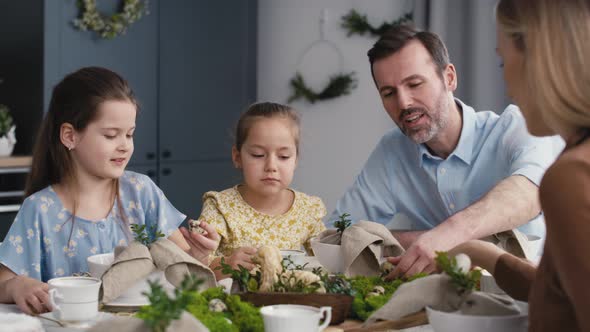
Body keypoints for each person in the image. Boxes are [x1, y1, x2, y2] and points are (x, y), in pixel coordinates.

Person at [328, 24, 561, 278]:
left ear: (449, 78)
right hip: (438, 301)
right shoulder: (392, 151)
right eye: (389, 93)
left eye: (415, 84)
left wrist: (449, 234)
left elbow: (533, 191)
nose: (403, 102)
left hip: (530, 290)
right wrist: (427, 240)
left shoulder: (514, 126)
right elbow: (339, 233)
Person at [0, 67, 219, 315]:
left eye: (130, 134)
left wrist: (199, 256)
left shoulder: (142, 192)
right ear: (70, 136)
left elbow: (181, 265)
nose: (125, 146)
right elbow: (3, 283)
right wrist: (17, 285)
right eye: (111, 135)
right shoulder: (39, 210)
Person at [450, 0, 590, 330]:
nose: (507, 85)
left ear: (539, 59)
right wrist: (483, 255)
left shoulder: (570, 176)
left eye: (502, 62)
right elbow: (563, 293)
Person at [198, 102, 326, 278]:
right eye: (258, 155)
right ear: (237, 157)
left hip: (289, 302)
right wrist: (226, 264)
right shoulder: (221, 207)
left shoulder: (308, 209)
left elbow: (326, 264)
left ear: (295, 160)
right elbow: (197, 266)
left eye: (283, 156)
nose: (271, 166)